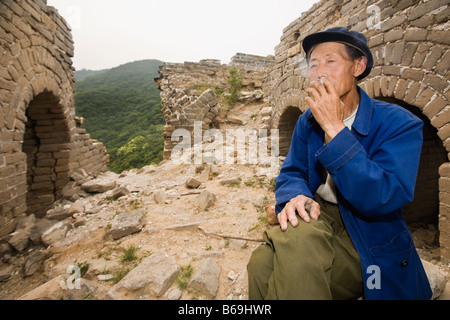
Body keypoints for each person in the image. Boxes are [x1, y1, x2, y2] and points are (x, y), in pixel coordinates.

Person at [247, 27, 432, 300]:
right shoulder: (306, 121)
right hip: (323, 216)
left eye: (331, 61)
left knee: (291, 246)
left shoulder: (399, 123)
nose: (320, 72)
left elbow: (382, 196)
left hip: (369, 232)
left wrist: (335, 129)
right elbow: (293, 171)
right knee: (260, 264)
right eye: (313, 64)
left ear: (358, 66)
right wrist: (295, 194)